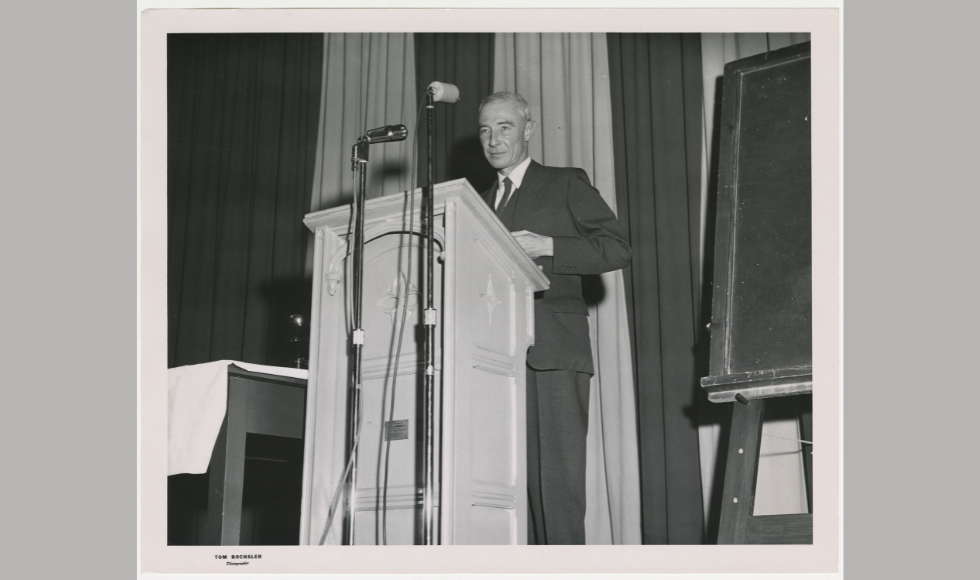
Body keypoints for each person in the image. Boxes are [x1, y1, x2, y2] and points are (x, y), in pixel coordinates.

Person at [477, 91, 631, 544]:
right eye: (485, 129)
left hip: (553, 352)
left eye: (504, 127)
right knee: (504, 490)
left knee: (557, 490)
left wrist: (548, 246)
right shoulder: (477, 203)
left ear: (527, 130)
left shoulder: (564, 183)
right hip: (493, 360)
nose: (493, 139)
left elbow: (618, 248)